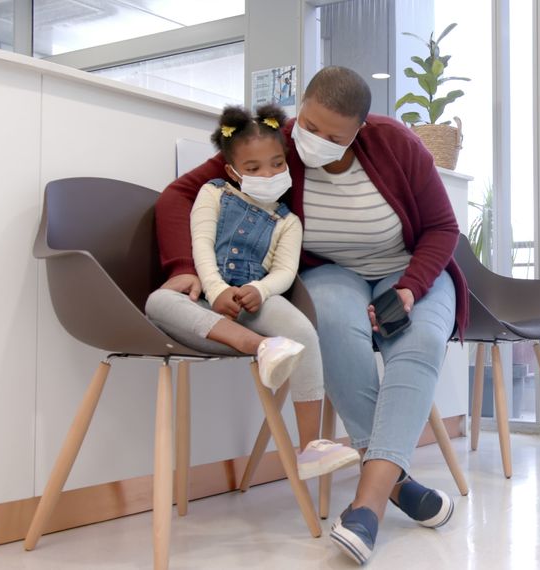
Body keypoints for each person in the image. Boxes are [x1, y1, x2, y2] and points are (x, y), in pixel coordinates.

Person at [155, 66, 469, 565]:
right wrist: (182, 267)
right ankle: (396, 482)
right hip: (329, 272)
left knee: (421, 343)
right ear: (299, 109)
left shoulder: (396, 144)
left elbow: (441, 227)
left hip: (408, 270)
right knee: (336, 331)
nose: (316, 142)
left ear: (361, 131)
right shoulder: (273, 142)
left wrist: (410, 290)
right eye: (311, 126)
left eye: (334, 136)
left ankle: (368, 504)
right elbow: (179, 195)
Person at [145, 103, 359, 481]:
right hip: (208, 298)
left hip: (256, 300)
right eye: (254, 168)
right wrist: (213, 287)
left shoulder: (288, 222)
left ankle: (311, 448)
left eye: (277, 164)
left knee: (304, 333)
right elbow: (201, 243)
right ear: (232, 171)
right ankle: (258, 346)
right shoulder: (212, 194)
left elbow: (285, 271)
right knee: (158, 301)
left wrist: (259, 290)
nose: (269, 173)